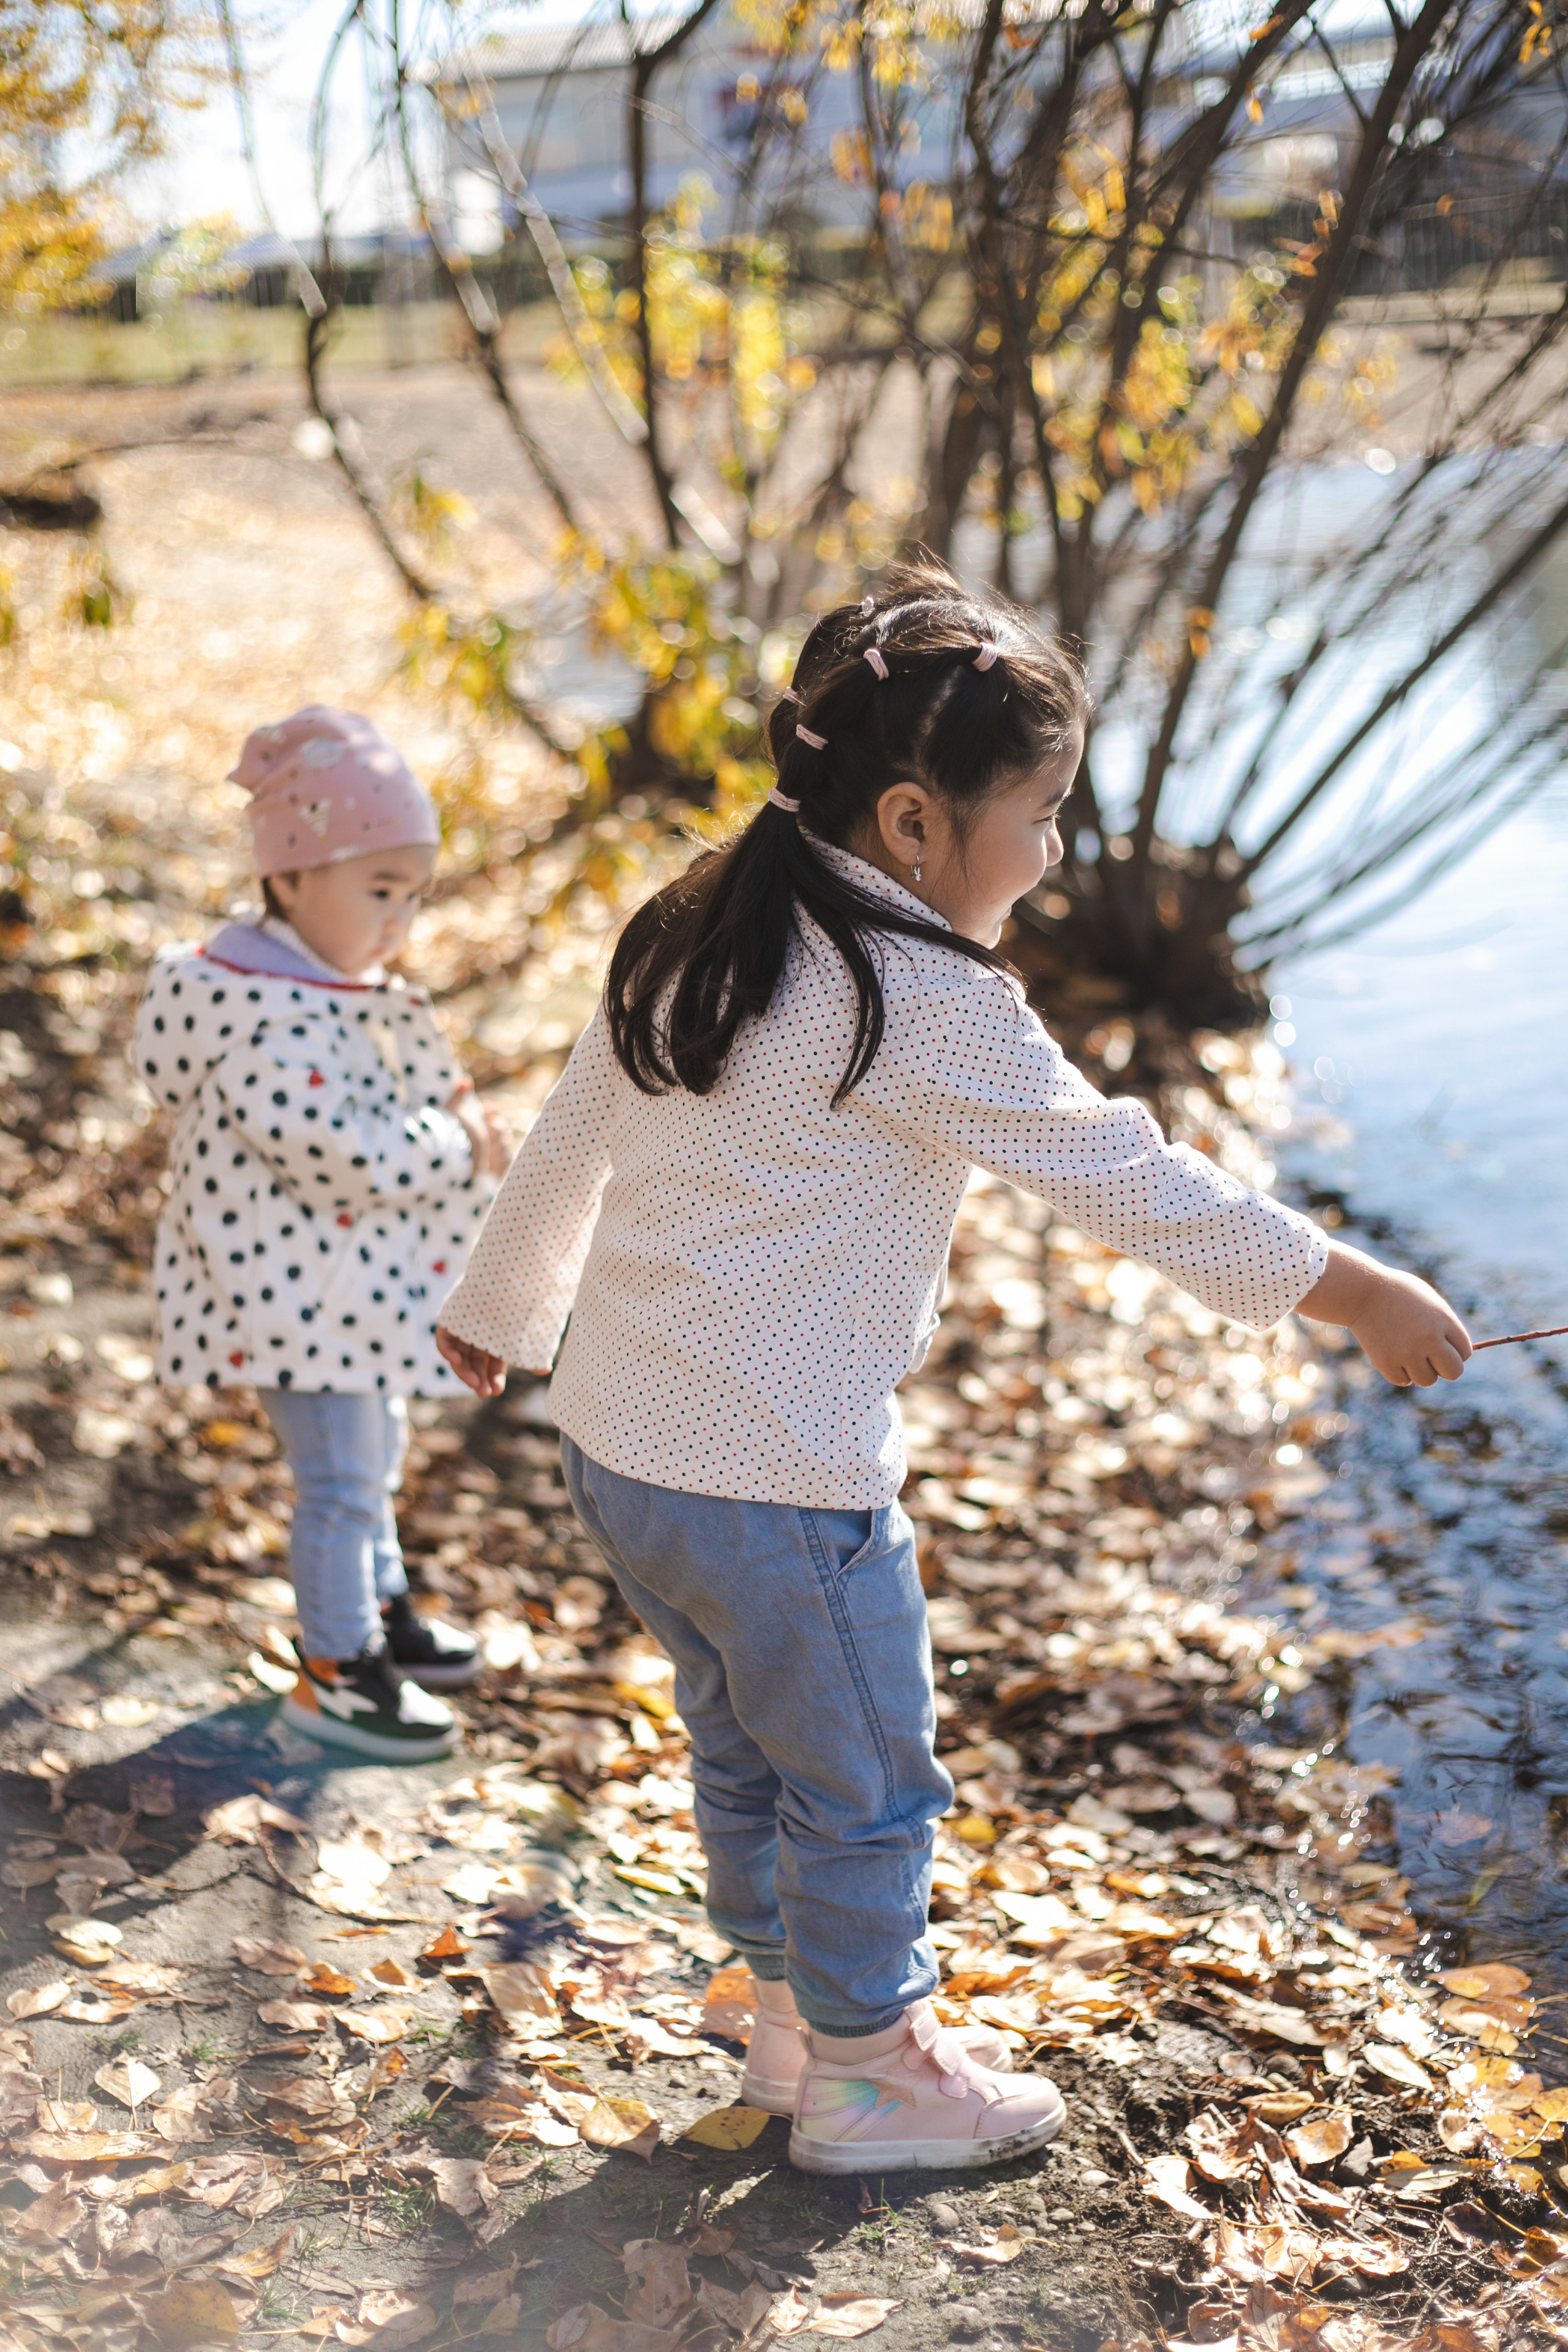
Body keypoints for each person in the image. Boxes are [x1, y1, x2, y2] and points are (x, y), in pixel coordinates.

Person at [434, 561, 1471, 2172]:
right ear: (915, 826)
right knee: (862, 1779)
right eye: (1041, 812)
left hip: (626, 1450)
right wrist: (1359, 1293)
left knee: (742, 1747)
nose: (1056, 854)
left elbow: (581, 1119)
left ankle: (787, 2024)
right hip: (779, 1483)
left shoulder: (700, 916)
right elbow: (1140, 1183)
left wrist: (500, 1307)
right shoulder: (918, 998)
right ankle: (871, 2078)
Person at [134, 706, 511, 1763]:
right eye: (377, 890)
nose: (398, 920)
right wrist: (454, 1142)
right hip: (294, 1302)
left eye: (411, 895)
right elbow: (341, 1151)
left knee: (369, 1460)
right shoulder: (265, 1013)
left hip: (338, 1295)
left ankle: (377, 1611)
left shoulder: (320, 988)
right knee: (342, 1481)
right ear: (291, 879)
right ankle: (337, 1669)